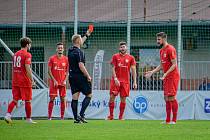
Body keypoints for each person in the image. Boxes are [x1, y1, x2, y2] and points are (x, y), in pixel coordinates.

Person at [145, 32, 180, 124]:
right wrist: (152, 72)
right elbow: (161, 65)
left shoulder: (171, 49)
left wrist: (166, 74)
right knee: (166, 98)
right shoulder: (161, 51)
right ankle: (167, 120)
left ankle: (174, 120)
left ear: (164, 39)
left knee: (171, 97)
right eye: (157, 39)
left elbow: (174, 65)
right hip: (166, 76)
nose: (157, 41)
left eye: (159, 39)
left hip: (172, 76)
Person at [4, 37, 36, 124]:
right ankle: (28, 119)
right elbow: (27, 68)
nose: (30, 46)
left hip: (16, 80)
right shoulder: (27, 54)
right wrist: (32, 80)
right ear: (27, 45)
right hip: (24, 81)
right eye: (30, 44)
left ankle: (8, 115)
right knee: (28, 100)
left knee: (15, 100)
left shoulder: (15, 54)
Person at [107, 41, 137, 120]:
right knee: (112, 97)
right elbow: (113, 68)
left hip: (125, 82)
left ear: (126, 48)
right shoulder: (115, 56)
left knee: (123, 99)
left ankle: (120, 117)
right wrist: (115, 78)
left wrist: (134, 82)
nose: (122, 48)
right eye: (121, 47)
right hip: (116, 81)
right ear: (119, 48)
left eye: (124, 47)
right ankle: (111, 116)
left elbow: (133, 70)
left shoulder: (131, 58)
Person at [68, 29, 93, 123]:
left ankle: (76, 118)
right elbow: (81, 65)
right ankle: (81, 115)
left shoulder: (70, 50)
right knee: (89, 94)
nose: (82, 41)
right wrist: (88, 76)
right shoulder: (79, 52)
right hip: (80, 76)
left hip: (72, 77)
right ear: (78, 41)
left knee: (75, 97)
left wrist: (86, 35)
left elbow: (80, 41)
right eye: (80, 40)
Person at [48, 42, 69, 120]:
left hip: (62, 82)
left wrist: (65, 80)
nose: (60, 49)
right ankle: (49, 117)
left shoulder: (66, 59)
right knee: (52, 99)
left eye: (61, 48)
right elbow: (49, 71)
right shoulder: (52, 58)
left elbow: (67, 71)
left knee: (63, 99)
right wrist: (54, 80)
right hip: (54, 82)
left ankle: (62, 117)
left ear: (63, 49)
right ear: (56, 49)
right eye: (59, 48)